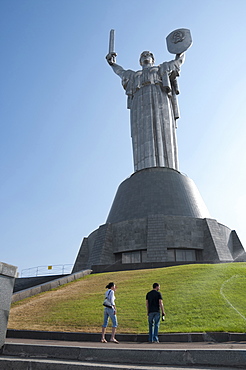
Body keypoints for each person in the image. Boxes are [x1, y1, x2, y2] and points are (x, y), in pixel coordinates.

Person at [106, 50, 184, 172]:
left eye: (148, 55)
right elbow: (120, 72)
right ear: (140, 61)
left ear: (153, 59)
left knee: (162, 128)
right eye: (143, 56)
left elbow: (177, 62)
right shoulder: (134, 75)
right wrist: (112, 64)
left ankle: (167, 167)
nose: (145, 57)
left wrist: (180, 49)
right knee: (142, 133)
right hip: (140, 102)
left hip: (159, 96)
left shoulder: (160, 69)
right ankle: (143, 169)